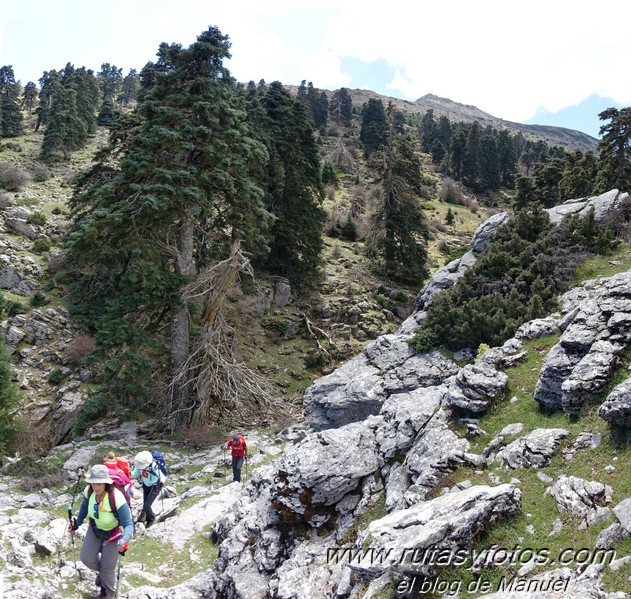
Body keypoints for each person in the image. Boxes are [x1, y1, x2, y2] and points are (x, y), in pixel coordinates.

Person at [68, 464, 134, 599]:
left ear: (106, 483)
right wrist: (76, 524)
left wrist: (125, 540)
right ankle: (104, 573)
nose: (96, 487)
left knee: (108, 568)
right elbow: (84, 510)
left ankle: (108, 594)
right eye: (93, 483)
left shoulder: (117, 497)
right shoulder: (89, 491)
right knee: (86, 558)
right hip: (95, 528)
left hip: (114, 534)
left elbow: (128, 525)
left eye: (99, 484)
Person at [131, 450, 165, 528]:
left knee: (146, 505)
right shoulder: (138, 465)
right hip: (146, 485)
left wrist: (161, 483)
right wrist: (126, 472)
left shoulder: (154, 466)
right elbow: (134, 474)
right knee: (145, 504)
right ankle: (147, 519)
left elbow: (162, 475)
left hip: (155, 486)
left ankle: (152, 519)